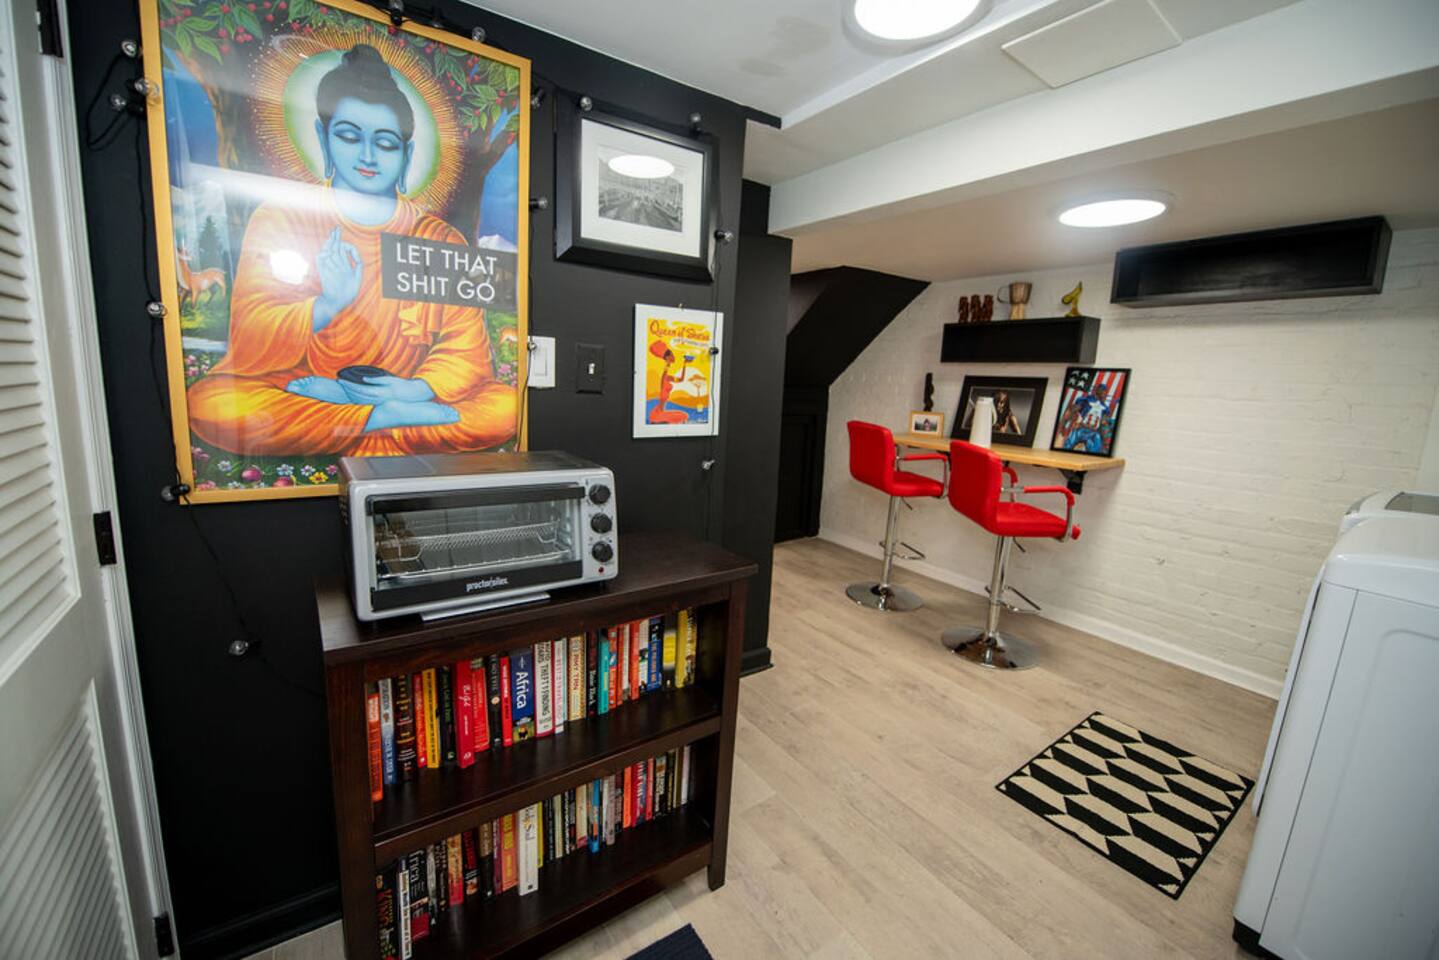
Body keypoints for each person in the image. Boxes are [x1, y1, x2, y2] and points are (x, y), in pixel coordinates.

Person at [186, 43, 516, 457]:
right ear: (323, 139)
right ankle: (381, 418)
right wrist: (326, 306)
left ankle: (364, 415)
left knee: (504, 408)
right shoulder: (282, 218)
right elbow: (251, 337)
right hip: (309, 384)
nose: (367, 156)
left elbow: (464, 349)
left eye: (386, 143)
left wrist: (413, 388)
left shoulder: (438, 239)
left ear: (408, 154)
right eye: (348, 136)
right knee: (212, 404)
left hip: (404, 392)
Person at [1058, 381, 1112, 453]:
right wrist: (1062, 427)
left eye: (1105, 391)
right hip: (1081, 428)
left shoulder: (1105, 408)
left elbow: (1104, 425)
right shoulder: (1085, 400)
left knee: (1096, 449)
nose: (1104, 393)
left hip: (1093, 433)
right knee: (1068, 446)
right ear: (1097, 390)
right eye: (1102, 390)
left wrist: (1105, 442)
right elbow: (1070, 413)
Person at [646, 340, 690, 424]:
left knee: (684, 415)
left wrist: (685, 364)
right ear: (667, 357)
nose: (674, 357)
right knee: (683, 416)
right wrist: (667, 363)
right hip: (657, 414)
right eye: (672, 355)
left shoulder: (668, 378)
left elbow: (681, 379)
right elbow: (665, 371)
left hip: (660, 412)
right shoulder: (664, 377)